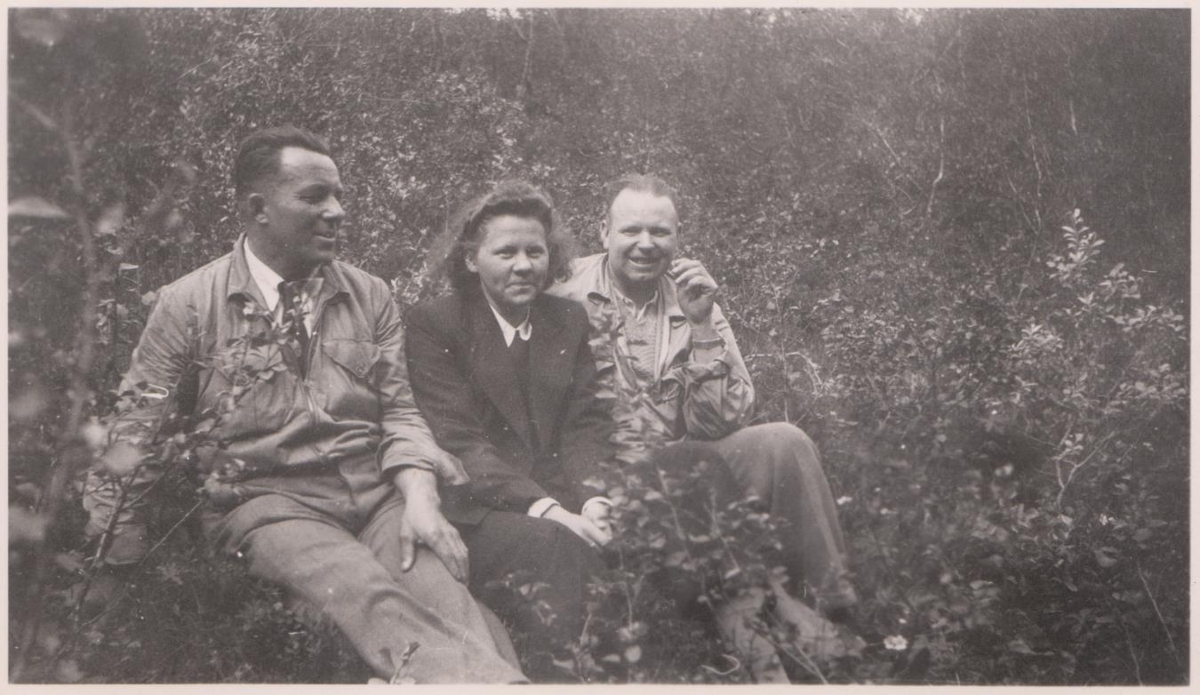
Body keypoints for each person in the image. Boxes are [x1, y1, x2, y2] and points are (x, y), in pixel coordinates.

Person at [81, 126, 525, 684]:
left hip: (378, 498)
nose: (336, 211)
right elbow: (135, 432)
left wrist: (418, 496)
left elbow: (401, 413)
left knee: (446, 595)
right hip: (270, 505)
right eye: (315, 197)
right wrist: (112, 557)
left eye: (338, 195)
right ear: (257, 209)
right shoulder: (188, 305)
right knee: (364, 589)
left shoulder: (370, 294)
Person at [548, 174, 859, 680]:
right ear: (603, 232)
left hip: (690, 464)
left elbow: (721, 420)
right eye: (630, 230)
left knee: (786, 441)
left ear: (677, 237)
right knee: (682, 462)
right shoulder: (562, 292)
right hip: (600, 476)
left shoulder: (693, 295)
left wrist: (700, 324)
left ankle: (834, 608)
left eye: (660, 232)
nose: (646, 244)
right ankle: (761, 619)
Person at [403, 181, 612, 677]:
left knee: (627, 530)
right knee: (556, 547)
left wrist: (594, 500)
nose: (523, 265)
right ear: (471, 260)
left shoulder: (566, 319)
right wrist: (550, 511)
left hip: (560, 496)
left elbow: (585, 425)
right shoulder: (437, 324)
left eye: (535, 252)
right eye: (506, 252)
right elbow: (459, 442)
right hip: (480, 507)